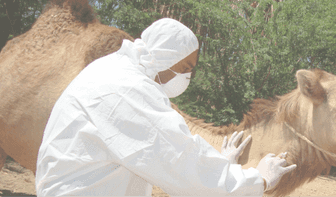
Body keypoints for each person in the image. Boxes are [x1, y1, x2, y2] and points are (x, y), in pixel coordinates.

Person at [35, 18, 296, 196]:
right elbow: (176, 159)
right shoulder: (127, 89)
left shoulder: (117, 72)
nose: (186, 79)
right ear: (164, 57)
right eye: (184, 69)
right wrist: (257, 180)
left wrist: (220, 162)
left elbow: (167, 149)